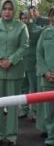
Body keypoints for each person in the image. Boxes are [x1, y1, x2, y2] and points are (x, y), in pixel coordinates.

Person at [0, 0, 29, 146]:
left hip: (14, 71)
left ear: (14, 11)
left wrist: (11, 60)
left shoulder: (21, 27)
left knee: (12, 106)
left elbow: (24, 46)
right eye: (5, 9)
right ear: (1, 10)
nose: (7, 12)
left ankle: (11, 137)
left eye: (10, 9)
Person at [18, 10, 42, 120]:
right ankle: (24, 109)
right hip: (21, 62)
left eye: (25, 17)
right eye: (22, 18)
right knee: (23, 88)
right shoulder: (18, 29)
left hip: (33, 63)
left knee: (34, 88)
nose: (24, 20)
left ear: (30, 18)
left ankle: (36, 112)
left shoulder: (37, 29)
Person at [36, 7, 54, 142]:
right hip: (48, 78)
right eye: (52, 15)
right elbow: (39, 54)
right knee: (49, 111)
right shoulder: (45, 33)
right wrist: (46, 72)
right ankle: (51, 136)